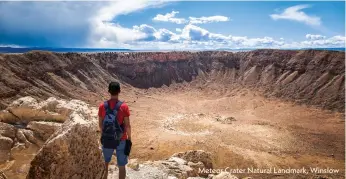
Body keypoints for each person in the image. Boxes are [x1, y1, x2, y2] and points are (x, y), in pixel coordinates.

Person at [98, 82, 132, 179]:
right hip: (121, 139)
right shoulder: (124, 107)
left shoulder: (102, 106)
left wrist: (103, 136)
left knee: (106, 164)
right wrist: (129, 138)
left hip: (107, 139)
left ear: (109, 91)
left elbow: (100, 125)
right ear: (119, 91)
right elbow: (128, 125)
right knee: (121, 167)